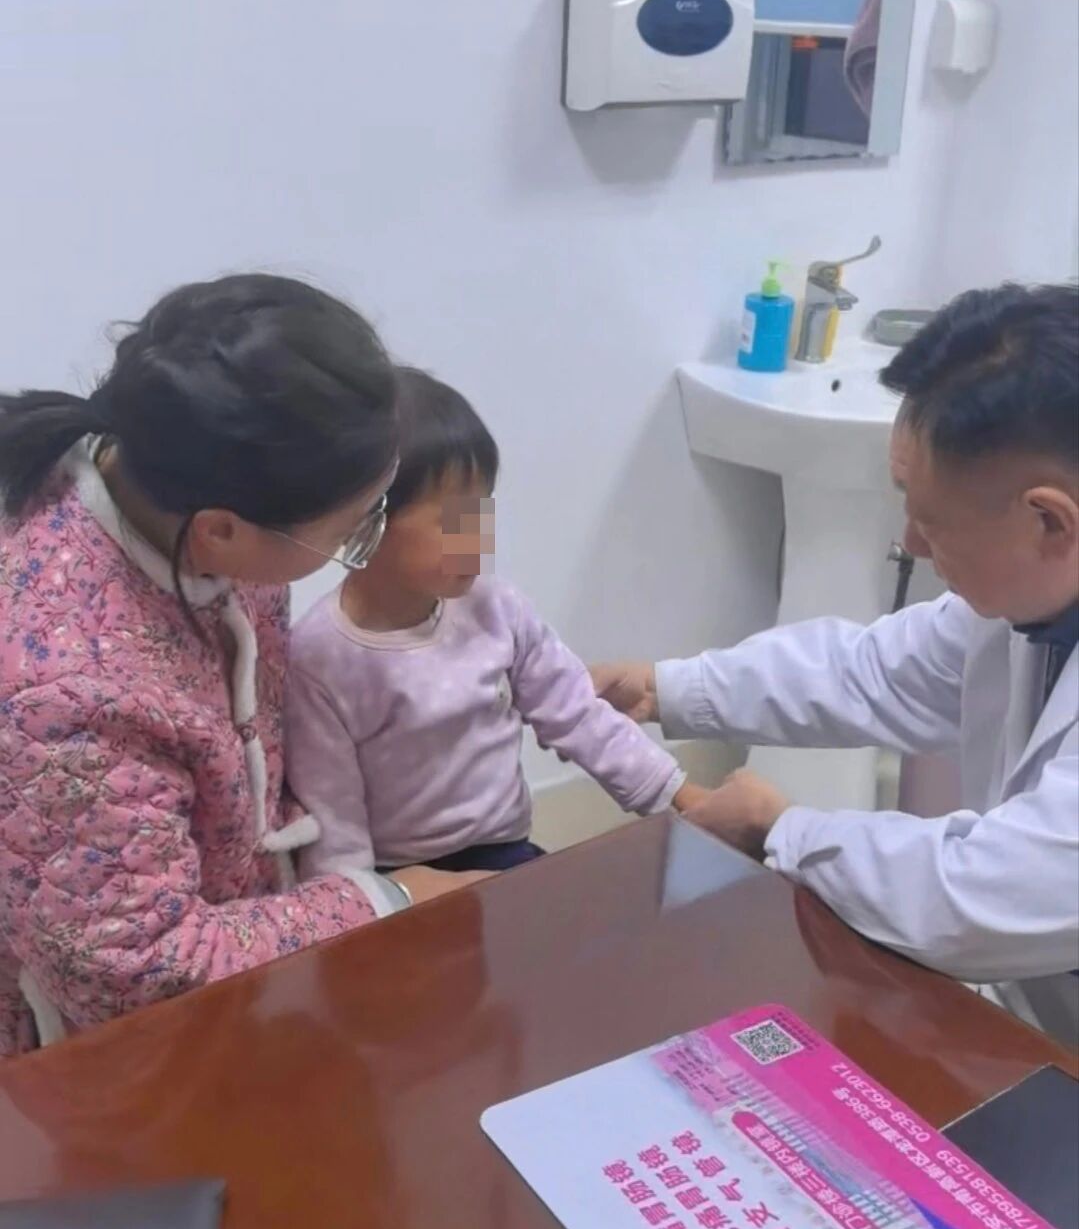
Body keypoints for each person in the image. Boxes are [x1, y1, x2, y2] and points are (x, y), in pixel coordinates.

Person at [0, 273, 482, 1058]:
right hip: (95, 1050)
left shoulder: (181, 488)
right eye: (353, 531)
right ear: (220, 532)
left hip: (240, 924)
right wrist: (386, 897)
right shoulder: (59, 691)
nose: (361, 543)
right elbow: (134, 969)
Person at [594, 283, 1079, 1041]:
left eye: (930, 521)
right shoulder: (1023, 604)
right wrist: (665, 688)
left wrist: (779, 829)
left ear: (1048, 520)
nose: (910, 543)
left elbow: (978, 897)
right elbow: (869, 671)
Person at [286, 367, 704, 891]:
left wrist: (681, 796)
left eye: (481, 512)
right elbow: (333, 826)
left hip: (504, 851)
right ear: (364, 519)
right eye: (451, 522)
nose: (477, 541)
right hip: (398, 877)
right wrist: (368, 907)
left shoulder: (497, 609)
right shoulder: (320, 658)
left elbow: (579, 713)